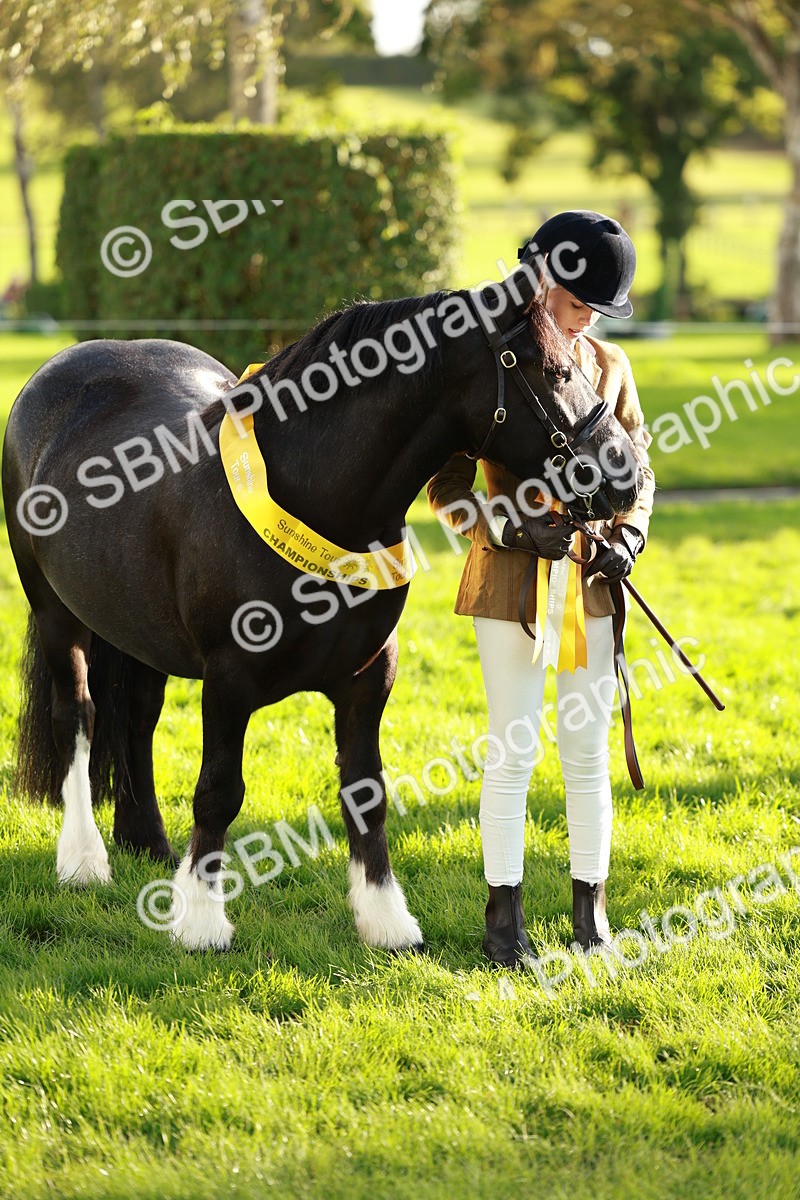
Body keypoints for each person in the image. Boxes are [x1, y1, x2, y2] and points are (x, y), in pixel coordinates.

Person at [426, 210, 656, 966]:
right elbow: (448, 488)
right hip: (511, 584)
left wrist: (629, 536)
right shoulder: (494, 363)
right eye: (578, 300)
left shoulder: (611, 366)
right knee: (513, 748)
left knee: (587, 752)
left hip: (590, 583)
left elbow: (640, 471)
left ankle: (591, 916)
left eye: (598, 307)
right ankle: (504, 923)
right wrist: (515, 530)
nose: (586, 318)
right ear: (544, 281)